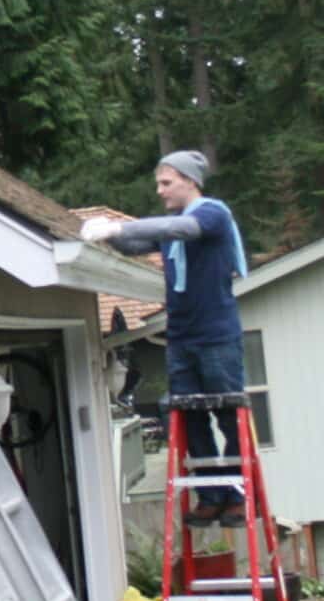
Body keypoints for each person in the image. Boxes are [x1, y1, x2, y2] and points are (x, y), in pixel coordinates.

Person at [81, 151, 251, 525]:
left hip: (216, 336)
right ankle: (211, 495)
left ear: (190, 181)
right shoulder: (173, 225)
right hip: (181, 337)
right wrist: (107, 235)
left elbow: (183, 231)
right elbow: (136, 245)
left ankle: (239, 494)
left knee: (226, 413)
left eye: (166, 182)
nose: (159, 190)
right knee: (189, 415)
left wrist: (119, 228)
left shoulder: (211, 214)